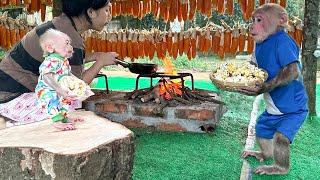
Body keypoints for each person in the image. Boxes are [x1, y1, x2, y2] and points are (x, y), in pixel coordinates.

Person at [0, 0, 117, 128]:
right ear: (91, 12)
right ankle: (10, 123)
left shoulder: (61, 24)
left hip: (7, 89)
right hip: (11, 98)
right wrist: (100, 62)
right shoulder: (70, 37)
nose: (109, 15)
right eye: (106, 10)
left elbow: (63, 58)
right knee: (71, 100)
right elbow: (76, 84)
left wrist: (96, 56)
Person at [239, 3, 308, 175]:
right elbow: (254, 65)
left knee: (281, 138)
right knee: (262, 129)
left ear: (281, 21)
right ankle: (265, 153)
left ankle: (281, 167)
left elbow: (292, 72)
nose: (252, 25)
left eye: (259, 20)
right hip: (273, 107)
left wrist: (265, 87)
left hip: (293, 107)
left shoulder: (282, 42)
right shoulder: (261, 43)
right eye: (253, 20)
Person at [36, 29, 87, 131]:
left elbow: (68, 74)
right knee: (53, 104)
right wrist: (59, 89)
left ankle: (64, 117)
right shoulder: (51, 61)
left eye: (69, 43)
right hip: (48, 91)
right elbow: (46, 76)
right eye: (66, 43)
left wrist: (80, 83)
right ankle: (57, 122)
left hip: (60, 90)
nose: (70, 47)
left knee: (65, 102)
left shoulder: (63, 60)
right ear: (50, 48)